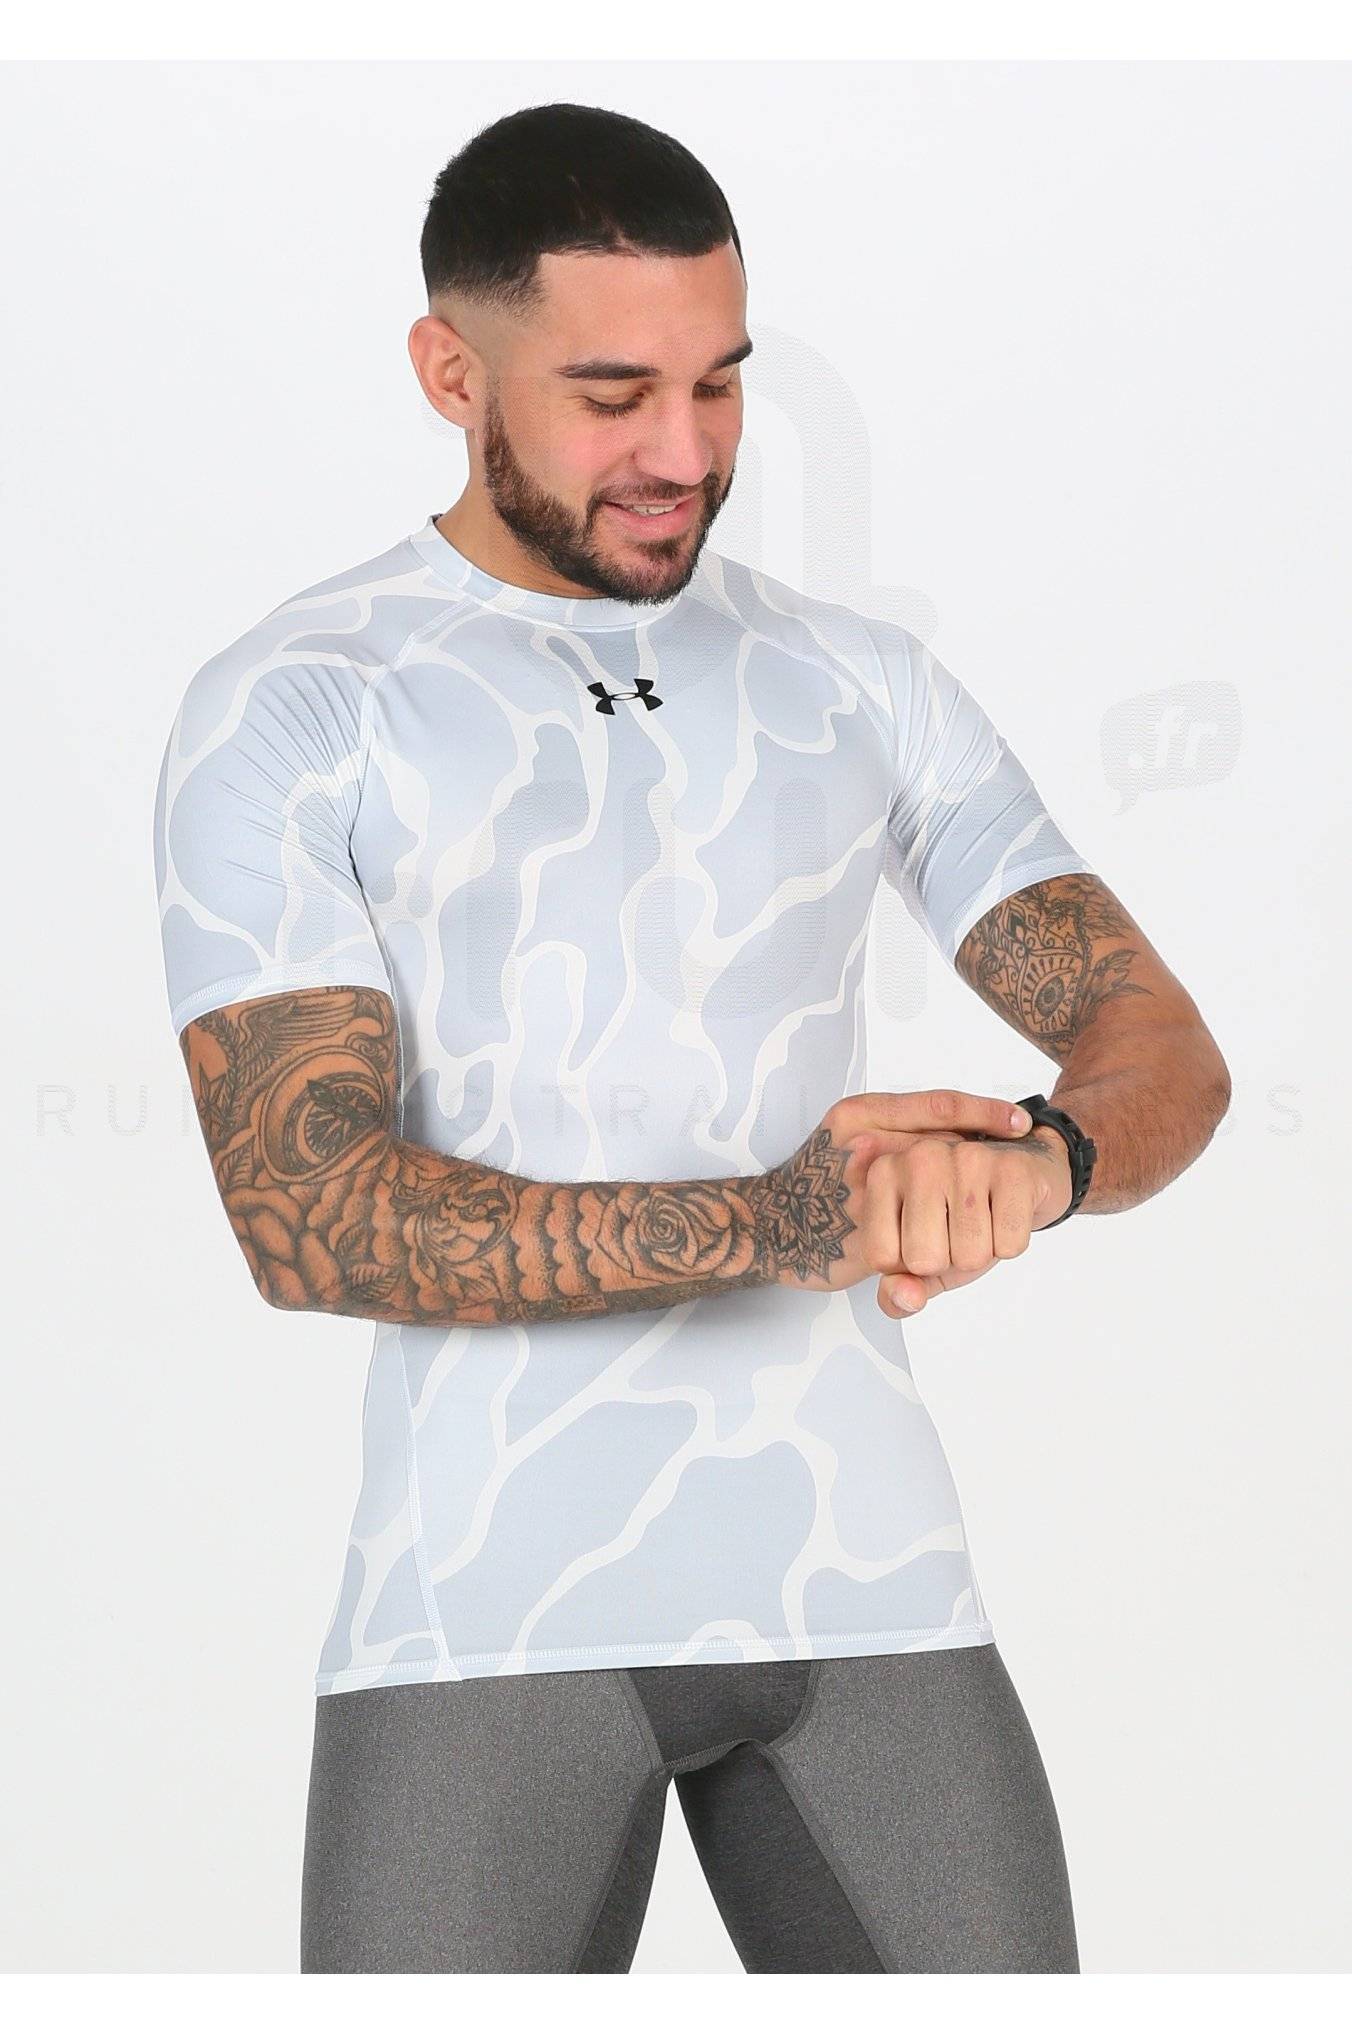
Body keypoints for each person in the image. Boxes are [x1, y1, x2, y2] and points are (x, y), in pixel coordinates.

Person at [151, 101, 1231, 1974]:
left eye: (721, 383)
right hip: (489, 1616)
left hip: (868, 1593)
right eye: (612, 394)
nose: (684, 452)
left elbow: (1160, 1041)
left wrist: (1041, 1163)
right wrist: (776, 1221)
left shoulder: (854, 676)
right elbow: (305, 1216)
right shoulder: (304, 703)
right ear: (449, 373)